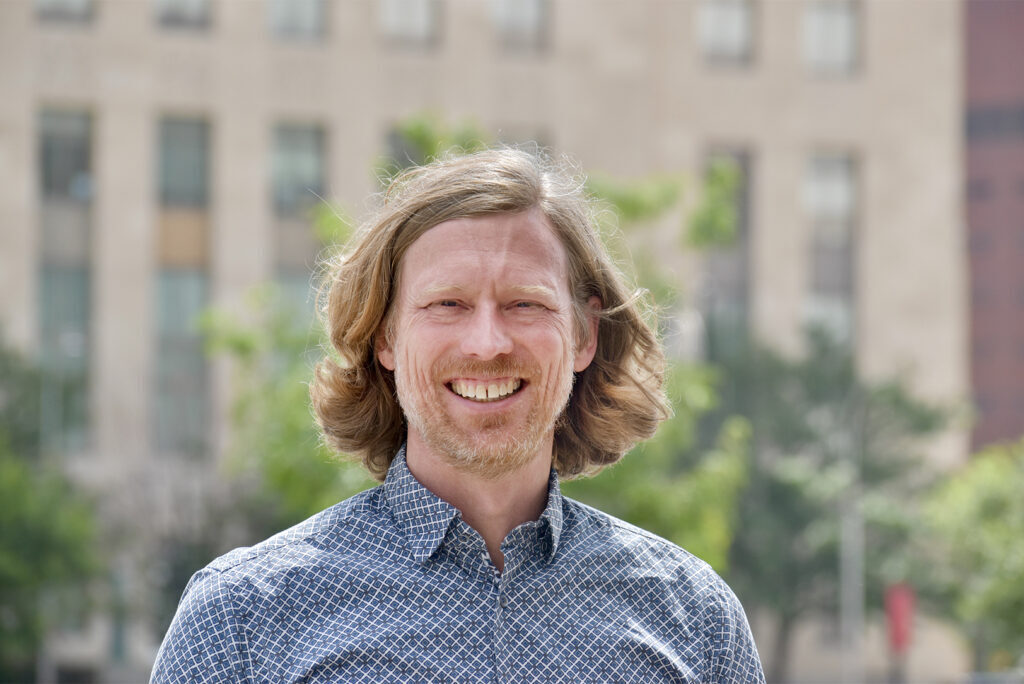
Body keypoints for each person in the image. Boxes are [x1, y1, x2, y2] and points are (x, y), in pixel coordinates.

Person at [151, 148, 765, 683]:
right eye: (448, 304)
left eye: (525, 303)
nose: (487, 344)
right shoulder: (242, 621)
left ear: (584, 335)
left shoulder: (697, 623)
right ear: (385, 336)